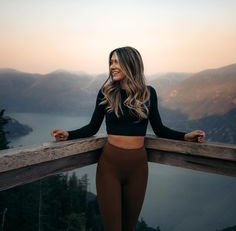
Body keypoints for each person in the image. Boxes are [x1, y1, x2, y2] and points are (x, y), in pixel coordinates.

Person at [51, 46, 205, 231]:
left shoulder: (148, 93)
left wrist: (185, 136)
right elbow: (92, 127)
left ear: (130, 64)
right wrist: (69, 134)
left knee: (128, 227)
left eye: (116, 62)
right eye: (111, 62)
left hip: (138, 168)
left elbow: (160, 129)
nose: (112, 66)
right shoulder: (106, 92)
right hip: (110, 167)